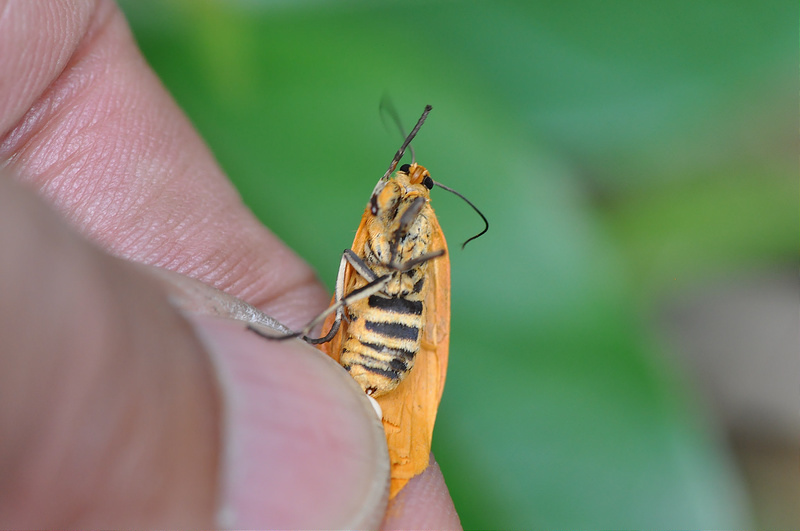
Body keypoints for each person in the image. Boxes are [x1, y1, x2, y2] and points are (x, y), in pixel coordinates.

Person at [0, 1, 460, 528]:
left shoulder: (418, 227)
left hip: (388, 341)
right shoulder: (392, 211)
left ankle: (315, 341)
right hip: (379, 342)